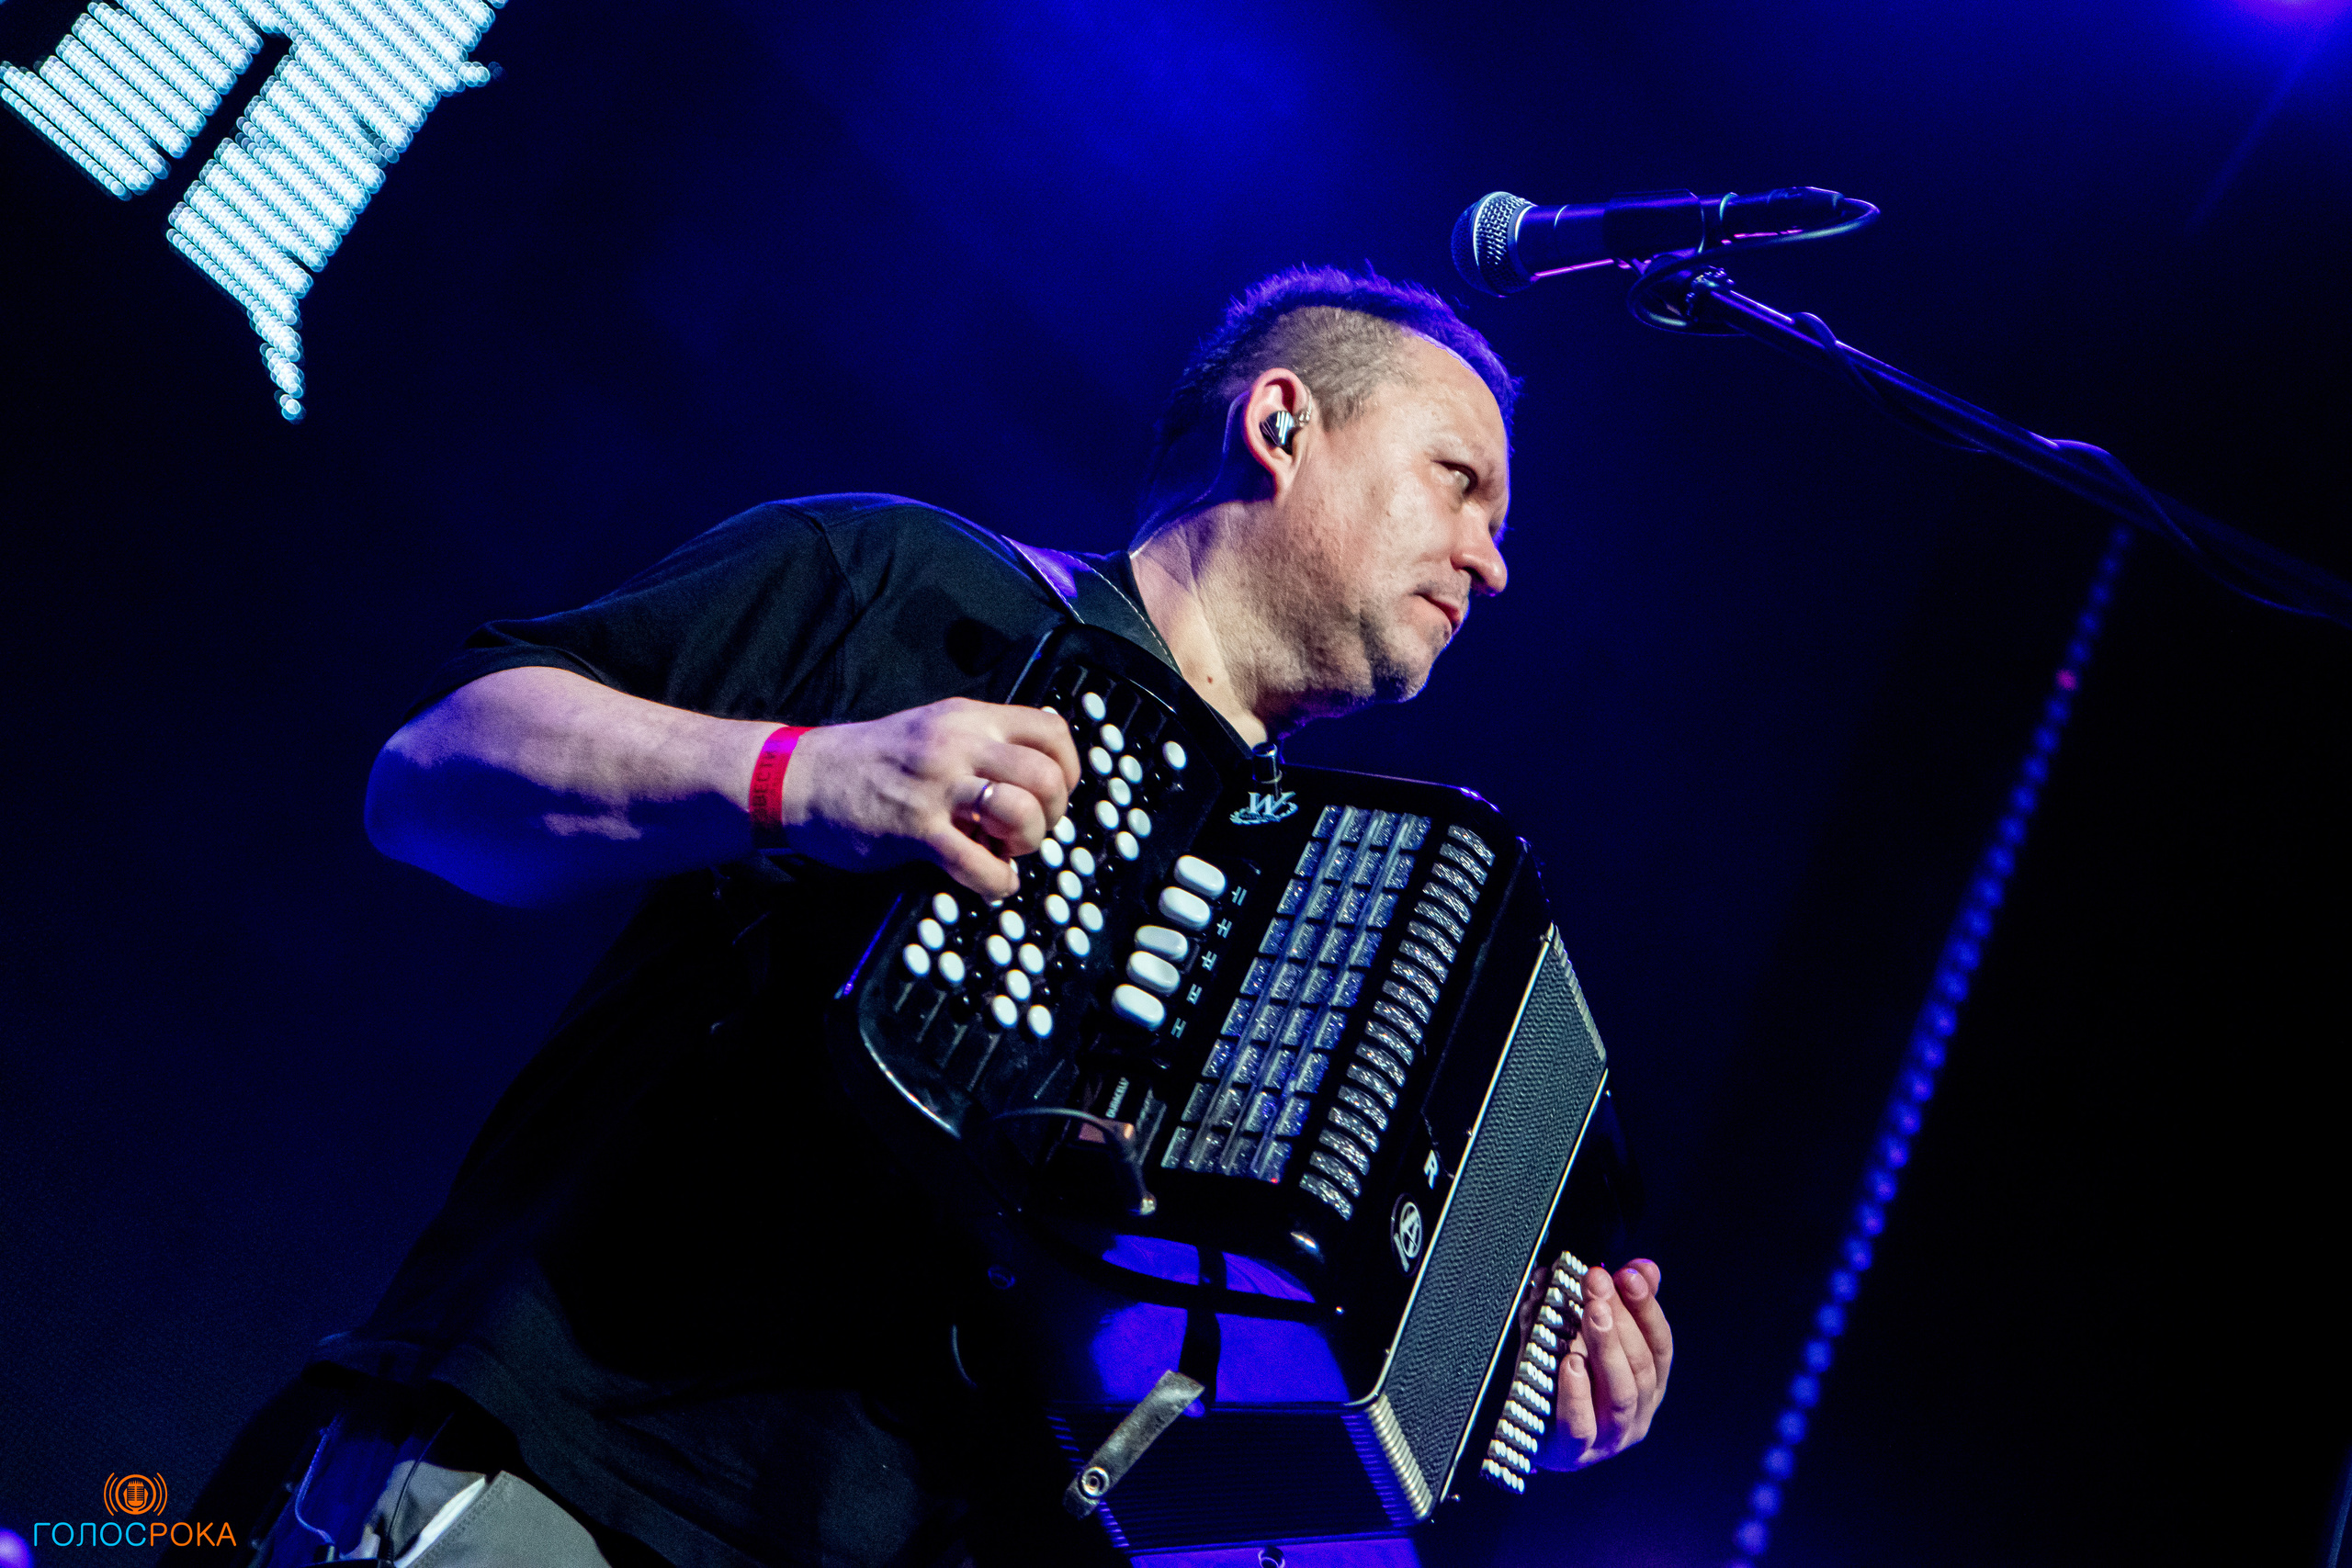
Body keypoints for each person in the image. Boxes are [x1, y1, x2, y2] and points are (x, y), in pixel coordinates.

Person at [176, 268, 1673, 1568]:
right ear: (1281, 427)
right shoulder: (919, 587)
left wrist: (1479, 1389)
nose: (1494, 561)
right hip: (561, 1474)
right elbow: (434, 774)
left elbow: (1157, 1450)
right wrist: (801, 775)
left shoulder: (1322, 933)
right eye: (1457, 481)